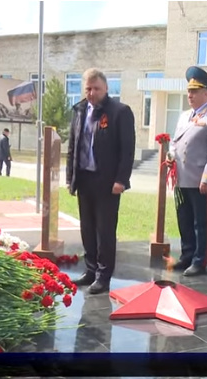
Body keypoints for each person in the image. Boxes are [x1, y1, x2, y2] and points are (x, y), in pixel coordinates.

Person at [66, 68, 136, 295]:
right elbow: (72, 147)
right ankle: (90, 269)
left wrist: (121, 180)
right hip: (84, 179)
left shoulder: (120, 112)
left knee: (105, 230)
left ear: (106, 88)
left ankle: (103, 276)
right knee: (87, 228)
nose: (91, 93)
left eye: (96, 88)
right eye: (88, 88)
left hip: (108, 182)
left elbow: (127, 150)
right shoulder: (79, 111)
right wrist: (70, 178)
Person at [166, 66, 207, 277]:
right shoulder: (184, 116)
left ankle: (199, 260)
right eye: (188, 91)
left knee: (201, 223)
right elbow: (176, 142)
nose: (190, 95)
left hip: (200, 180)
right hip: (181, 178)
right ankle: (187, 255)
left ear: (206, 93)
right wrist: (170, 155)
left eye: (194, 91)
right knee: (184, 220)